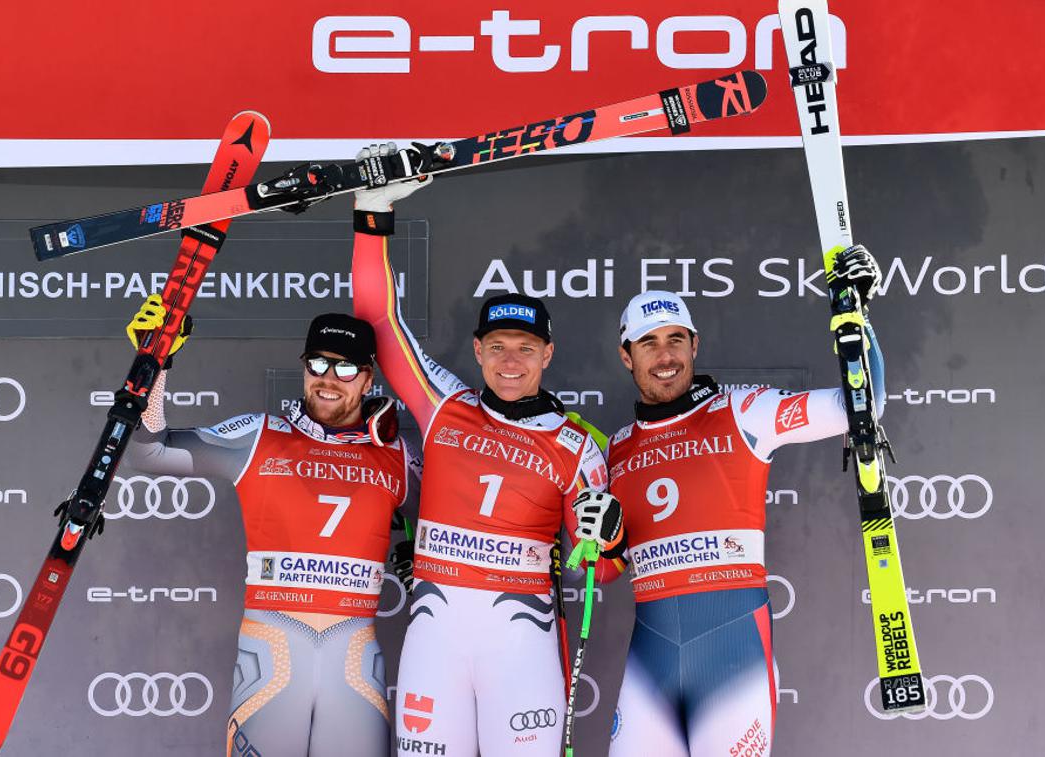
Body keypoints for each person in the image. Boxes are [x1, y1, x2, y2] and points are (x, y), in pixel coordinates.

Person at [349, 155, 623, 757]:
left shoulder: (578, 445)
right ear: (477, 349)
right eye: (497, 347)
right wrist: (372, 214)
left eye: (525, 348)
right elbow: (378, 319)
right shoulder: (443, 405)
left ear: (548, 354)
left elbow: (598, 568)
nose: (510, 362)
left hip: (521, 647)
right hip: (434, 641)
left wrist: (605, 538)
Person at [604, 247, 885, 757]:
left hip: (733, 658)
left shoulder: (743, 409)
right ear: (627, 355)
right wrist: (605, 540)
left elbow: (859, 407)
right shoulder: (617, 448)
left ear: (694, 345)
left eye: (676, 340)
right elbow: (604, 570)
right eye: (648, 343)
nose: (665, 356)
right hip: (651, 666)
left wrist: (858, 319)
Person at [121, 295, 418, 757]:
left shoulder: (398, 456)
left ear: (368, 379)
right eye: (318, 363)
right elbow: (149, 453)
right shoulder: (258, 435)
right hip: (272, 654)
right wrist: (157, 366)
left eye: (345, 369)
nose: (328, 380)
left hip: (354, 663)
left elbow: (465, 511)